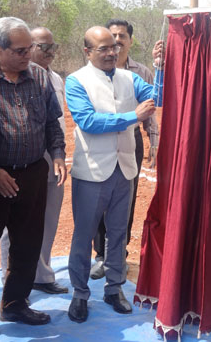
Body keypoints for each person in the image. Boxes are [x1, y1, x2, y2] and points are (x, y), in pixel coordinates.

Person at [0, 17, 66, 341]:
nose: (28, 55)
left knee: (27, 245)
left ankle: (15, 304)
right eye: (20, 51)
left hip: (33, 173)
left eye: (30, 49)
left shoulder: (39, 75)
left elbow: (52, 123)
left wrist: (58, 154)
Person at [65, 26, 159, 323]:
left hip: (125, 169)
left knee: (118, 233)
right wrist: (134, 116)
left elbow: (159, 95)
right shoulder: (76, 80)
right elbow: (88, 121)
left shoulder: (130, 78)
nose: (110, 53)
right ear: (87, 51)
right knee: (83, 235)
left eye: (114, 48)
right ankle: (80, 293)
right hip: (92, 170)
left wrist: (162, 67)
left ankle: (113, 287)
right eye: (103, 48)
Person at [0, 26, 69, 295]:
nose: (49, 53)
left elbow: (56, 121)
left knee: (47, 218)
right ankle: (11, 277)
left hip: (54, 157)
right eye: (42, 47)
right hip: (25, 158)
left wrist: (59, 155)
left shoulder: (55, 80)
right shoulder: (14, 78)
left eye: (53, 47)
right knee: (16, 224)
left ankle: (41, 273)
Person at [90, 19, 159, 280]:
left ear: (130, 41)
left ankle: (118, 253)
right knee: (98, 197)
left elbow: (152, 107)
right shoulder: (91, 72)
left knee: (125, 198)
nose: (117, 41)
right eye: (113, 36)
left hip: (130, 139)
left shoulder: (140, 72)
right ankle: (100, 254)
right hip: (100, 140)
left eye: (122, 36)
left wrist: (154, 140)